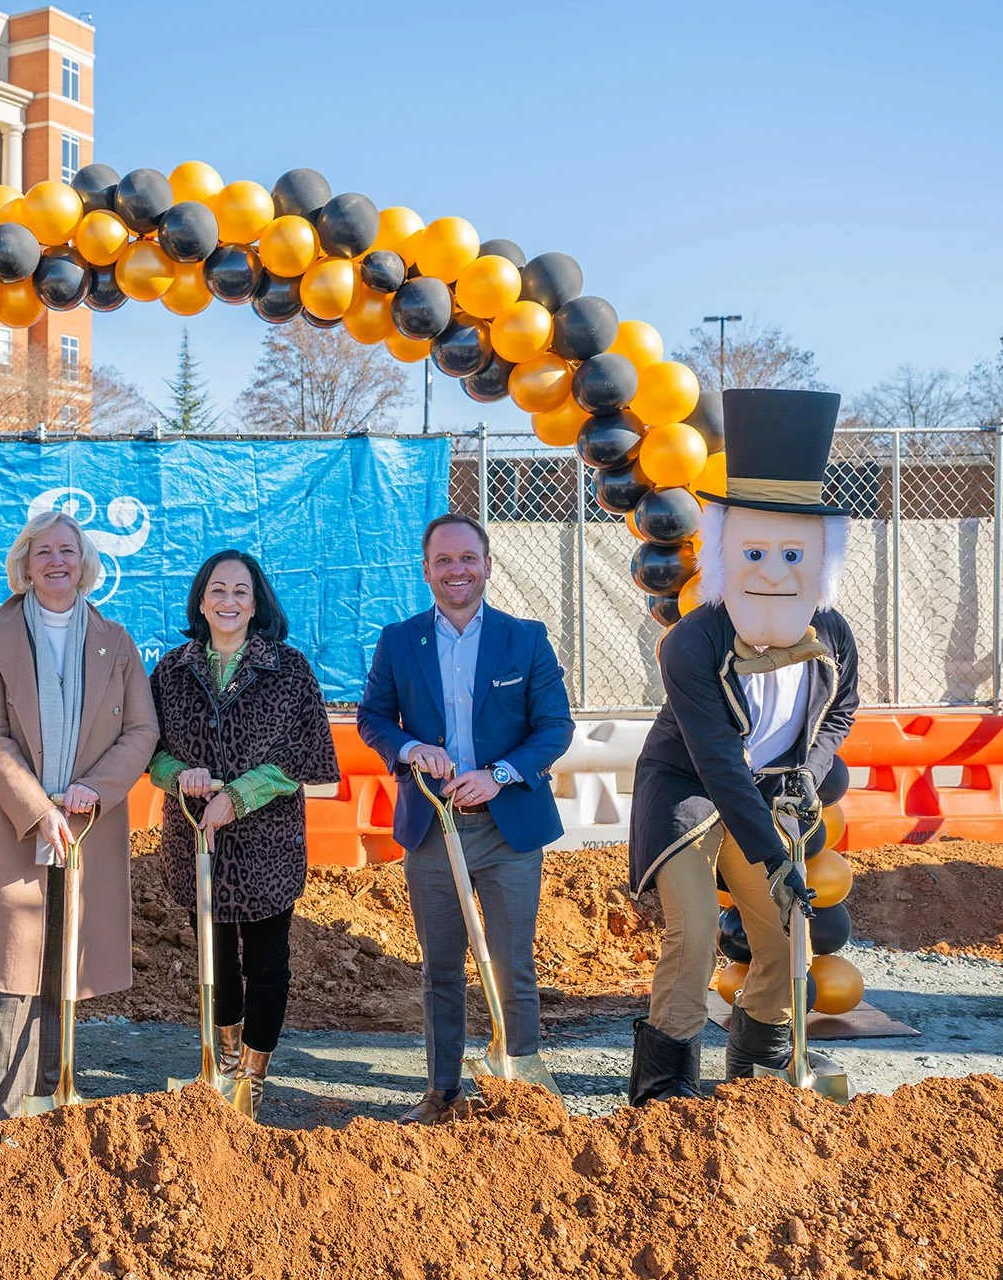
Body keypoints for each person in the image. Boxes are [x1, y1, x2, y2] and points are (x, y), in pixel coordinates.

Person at [627, 388, 861, 1103]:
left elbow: (841, 712)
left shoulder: (833, 632)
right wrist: (774, 855)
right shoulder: (692, 642)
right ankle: (664, 1087)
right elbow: (718, 761)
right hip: (690, 791)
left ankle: (757, 1075)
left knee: (788, 934)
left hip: (765, 794)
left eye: (792, 553)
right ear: (727, 550)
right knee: (696, 929)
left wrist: (808, 775)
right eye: (756, 551)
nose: (773, 570)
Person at [357, 513, 574, 1124]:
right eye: (444, 560)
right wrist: (408, 749)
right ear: (426, 570)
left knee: (512, 965)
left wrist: (498, 774)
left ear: (487, 565)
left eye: (468, 558)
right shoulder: (400, 641)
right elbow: (374, 717)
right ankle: (442, 1092)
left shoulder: (525, 638)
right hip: (433, 827)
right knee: (441, 970)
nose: (458, 570)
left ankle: (521, 1089)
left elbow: (555, 727)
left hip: (510, 831)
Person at [0, 509, 159, 1121]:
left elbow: (142, 730)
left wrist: (96, 788)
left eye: (68, 550)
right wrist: (39, 809)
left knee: (66, 962)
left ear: (85, 562)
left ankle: (46, 1111)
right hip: (12, 823)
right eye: (43, 552)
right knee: (11, 968)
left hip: (88, 825)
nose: (56, 562)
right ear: (26, 564)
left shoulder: (116, 641)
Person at [146, 550, 338, 1120]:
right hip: (197, 838)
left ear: (257, 605)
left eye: (240, 592)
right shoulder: (172, 671)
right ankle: (223, 1063)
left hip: (267, 845)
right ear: (201, 601)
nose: (228, 601)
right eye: (218, 590)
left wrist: (238, 795)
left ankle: (253, 1073)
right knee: (215, 958)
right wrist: (179, 774)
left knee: (266, 961)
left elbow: (305, 755)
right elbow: (146, 747)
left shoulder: (289, 670)